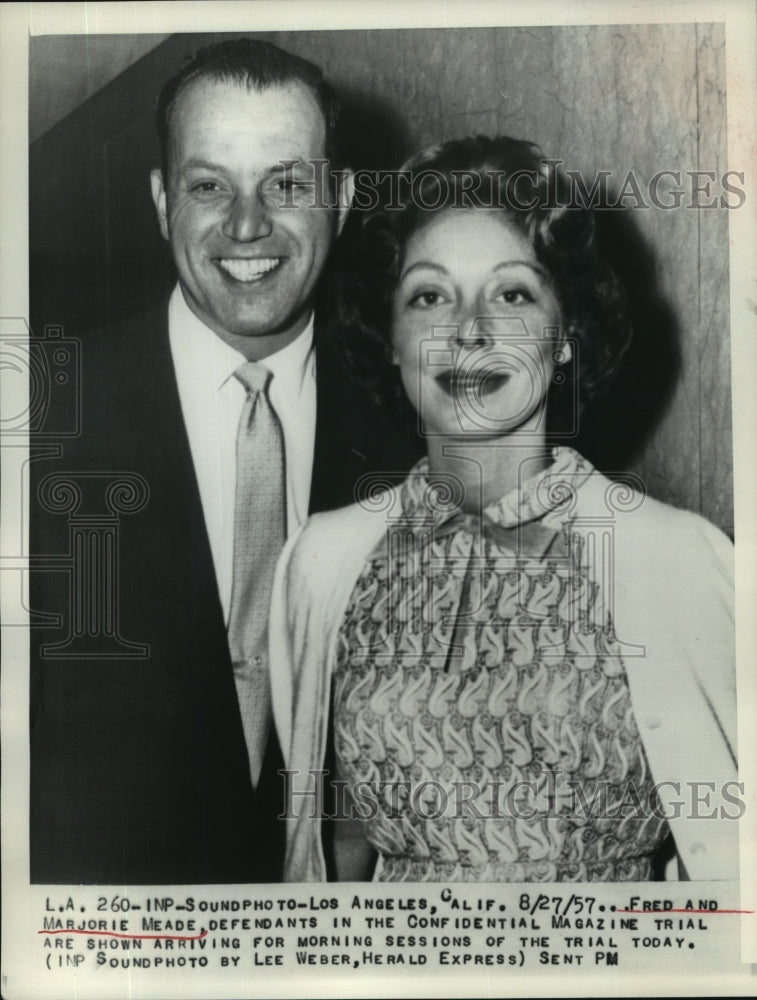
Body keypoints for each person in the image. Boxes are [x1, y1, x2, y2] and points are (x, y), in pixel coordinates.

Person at [270, 135, 739, 883]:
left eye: (512, 293)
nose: (468, 330)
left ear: (565, 336)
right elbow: (329, 852)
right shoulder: (324, 562)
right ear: (391, 338)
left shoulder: (680, 558)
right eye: (429, 296)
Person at [29, 38, 417, 884]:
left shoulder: (414, 432)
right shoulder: (37, 422)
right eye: (210, 185)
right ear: (164, 201)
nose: (247, 225)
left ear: (341, 199)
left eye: (285, 183)